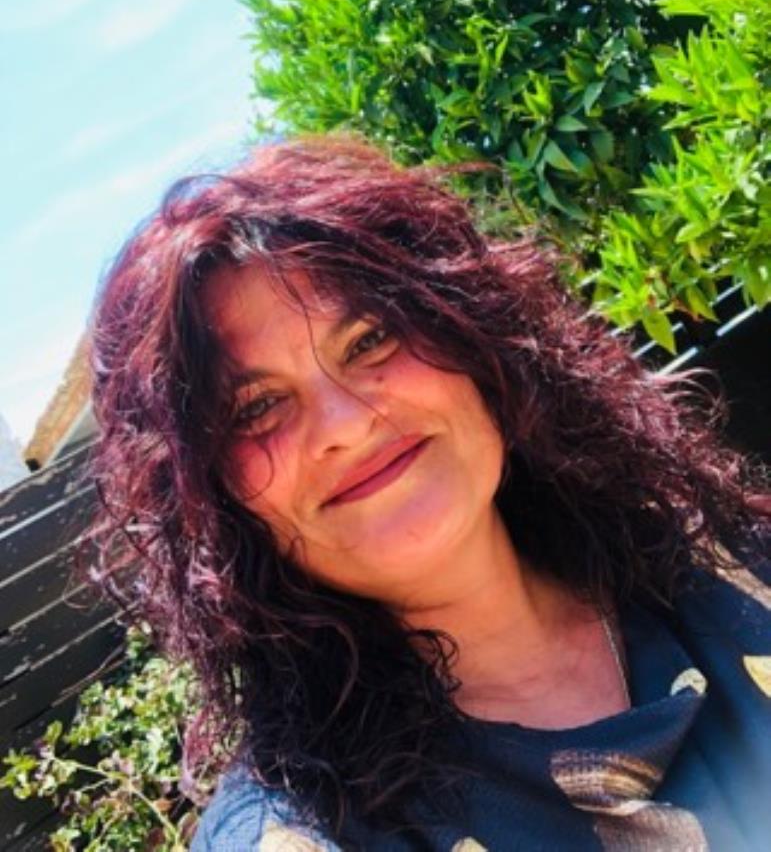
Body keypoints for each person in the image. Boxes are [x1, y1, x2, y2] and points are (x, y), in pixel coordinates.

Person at [88, 136, 770, 851]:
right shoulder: (299, 834)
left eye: (369, 340)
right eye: (256, 409)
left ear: (470, 332)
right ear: (211, 502)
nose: (348, 425)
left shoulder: (730, 566)